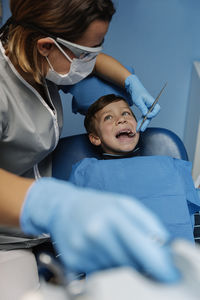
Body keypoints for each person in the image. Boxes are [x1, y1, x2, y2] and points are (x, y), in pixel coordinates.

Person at [0, 0, 178, 296]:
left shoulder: (39, 56)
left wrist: (129, 81)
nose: (91, 59)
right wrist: (54, 205)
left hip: (31, 235)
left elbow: (93, 63)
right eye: (85, 52)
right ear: (46, 46)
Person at [69, 94, 200, 241]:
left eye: (126, 113)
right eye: (108, 117)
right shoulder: (88, 172)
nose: (121, 119)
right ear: (95, 138)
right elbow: (71, 221)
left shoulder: (168, 166)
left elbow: (191, 204)